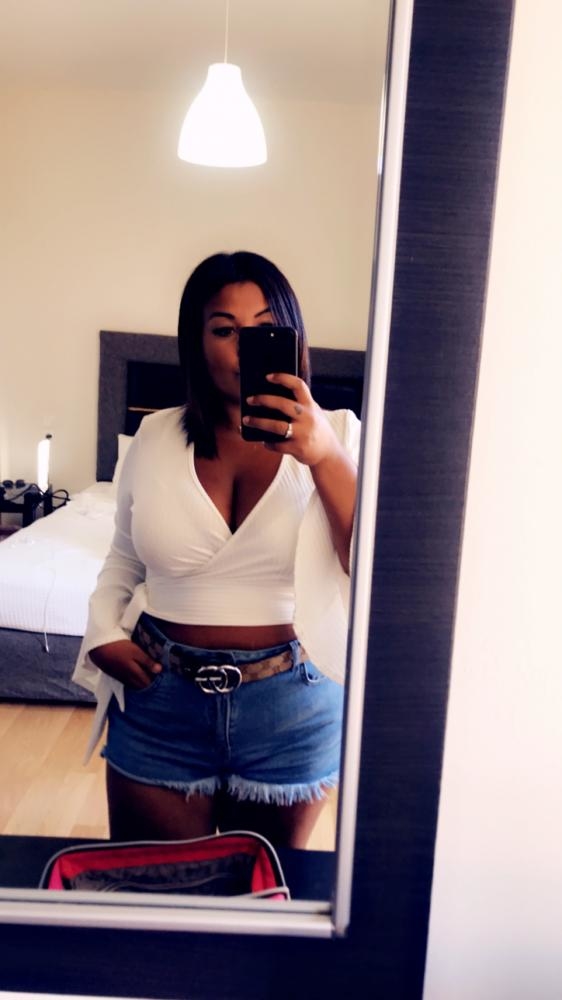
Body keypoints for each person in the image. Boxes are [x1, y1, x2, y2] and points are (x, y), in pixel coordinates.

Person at [73, 250, 360, 849]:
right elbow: (124, 556)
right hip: (160, 697)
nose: (242, 349)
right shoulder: (154, 435)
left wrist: (326, 457)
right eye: (224, 330)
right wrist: (101, 629)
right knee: (154, 890)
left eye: (263, 330)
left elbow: (367, 569)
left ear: (292, 337)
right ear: (197, 342)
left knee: (261, 895)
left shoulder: (341, 434)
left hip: (292, 705)